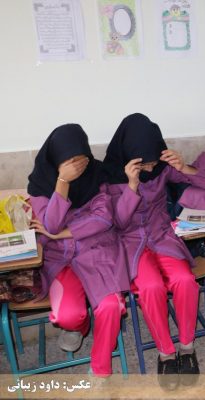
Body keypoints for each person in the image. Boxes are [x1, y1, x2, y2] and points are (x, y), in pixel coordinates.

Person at [103, 113, 205, 390]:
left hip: (162, 237)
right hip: (131, 244)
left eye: (153, 163)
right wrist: (131, 186)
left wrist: (184, 167)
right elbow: (119, 222)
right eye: (144, 164)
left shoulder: (162, 168)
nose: (150, 169)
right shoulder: (108, 175)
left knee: (185, 280)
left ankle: (187, 348)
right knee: (151, 287)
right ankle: (166, 352)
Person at [27, 124, 130, 378]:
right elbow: (51, 223)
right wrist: (62, 182)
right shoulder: (40, 183)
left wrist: (61, 233)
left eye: (80, 159)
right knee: (69, 316)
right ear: (56, 161)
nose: (76, 166)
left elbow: (103, 219)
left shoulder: (97, 175)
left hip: (97, 252)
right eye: (68, 161)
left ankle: (100, 369)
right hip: (61, 260)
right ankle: (80, 326)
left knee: (110, 306)